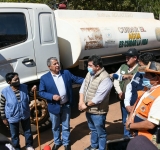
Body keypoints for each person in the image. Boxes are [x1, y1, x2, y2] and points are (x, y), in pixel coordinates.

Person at [39, 57, 84, 150]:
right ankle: (57, 142)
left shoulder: (66, 73)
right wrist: (52, 96)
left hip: (66, 105)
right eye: (55, 64)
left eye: (58, 63)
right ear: (49, 66)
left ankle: (66, 142)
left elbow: (77, 79)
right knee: (55, 126)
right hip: (53, 106)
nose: (57, 65)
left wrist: (89, 80)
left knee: (66, 125)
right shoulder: (44, 78)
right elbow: (41, 92)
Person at [79, 55, 113, 150]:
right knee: (93, 130)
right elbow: (83, 87)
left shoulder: (105, 79)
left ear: (97, 67)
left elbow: (98, 98)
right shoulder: (89, 74)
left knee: (101, 133)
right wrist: (80, 101)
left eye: (90, 65)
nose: (88, 67)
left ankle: (101, 148)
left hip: (98, 112)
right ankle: (94, 146)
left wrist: (84, 105)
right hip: (89, 110)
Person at [126, 61, 160, 149]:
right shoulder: (147, 89)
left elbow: (150, 124)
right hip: (139, 135)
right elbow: (136, 104)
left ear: (156, 79)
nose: (144, 77)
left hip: (148, 140)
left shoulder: (159, 96)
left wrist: (130, 126)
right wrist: (130, 119)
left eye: (147, 75)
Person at [0, 72, 35, 150]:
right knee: (14, 135)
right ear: (9, 82)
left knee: (28, 131)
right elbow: (2, 105)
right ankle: (16, 147)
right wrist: (3, 117)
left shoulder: (24, 87)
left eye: (18, 78)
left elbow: (30, 96)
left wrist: (32, 91)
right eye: (15, 79)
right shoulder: (5, 92)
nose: (18, 80)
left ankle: (29, 145)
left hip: (25, 113)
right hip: (12, 116)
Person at [114, 48, 139, 137]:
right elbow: (116, 79)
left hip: (135, 101)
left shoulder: (140, 68)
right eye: (126, 57)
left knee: (134, 120)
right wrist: (119, 92)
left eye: (128, 57)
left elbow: (142, 79)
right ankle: (126, 138)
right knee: (125, 120)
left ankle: (134, 138)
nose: (126, 59)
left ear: (135, 58)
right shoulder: (123, 67)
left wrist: (129, 76)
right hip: (123, 99)